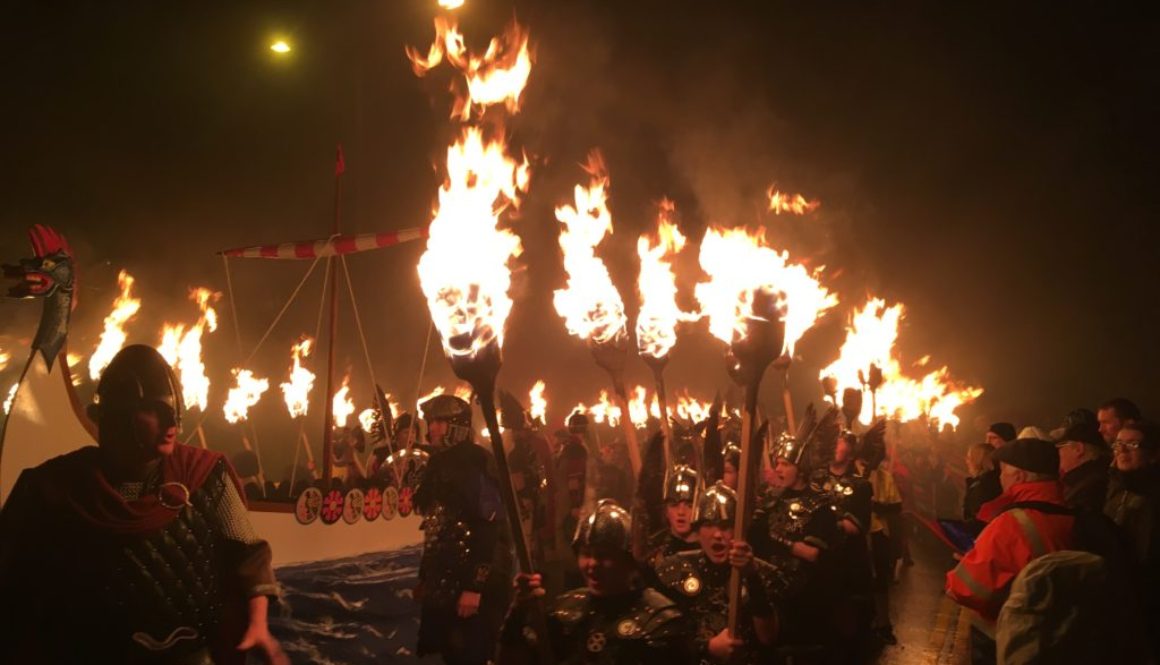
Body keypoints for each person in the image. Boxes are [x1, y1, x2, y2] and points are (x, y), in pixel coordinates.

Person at [0, 345, 284, 664]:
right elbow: (13, 588)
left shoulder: (204, 475)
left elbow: (248, 553)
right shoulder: (51, 488)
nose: (172, 423)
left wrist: (259, 624)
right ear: (119, 415)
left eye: (173, 411)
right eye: (156, 411)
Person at [498, 499, 694, 664]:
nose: (592, 564)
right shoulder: (564, 611)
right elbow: (514, 660)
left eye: (603, 555)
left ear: (627, 560)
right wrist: (519, 610)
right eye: (586, 554)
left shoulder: (660, 622)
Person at [946, 438, 1074, 665]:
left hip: (1007, 641)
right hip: (1061, 639)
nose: (999, 477)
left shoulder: (1011, 523)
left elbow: (967, 589)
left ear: (1019, 476)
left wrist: (963, 566)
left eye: (1003, 471)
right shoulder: (1074, 515)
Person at [413, 394, 513, 665]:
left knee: (471, 653)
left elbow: (488, 527)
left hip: (473, 579)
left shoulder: (477, 462)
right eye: (430, 421)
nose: (431, 428)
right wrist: (426, 575)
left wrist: (474, 587)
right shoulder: (437, 464)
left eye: (439, 422)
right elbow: (436, 527)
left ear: (457, 425)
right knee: (448, 653)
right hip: (443, 579)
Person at [654, 482, 782, 664]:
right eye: (708, 525)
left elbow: (768, 638)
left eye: (725, 525)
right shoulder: (674, 571)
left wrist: (752, 577)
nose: (717, 535)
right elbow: (665, 644)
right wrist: (707, 648)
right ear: (697, 531)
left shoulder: (763, 573)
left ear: (739, 529)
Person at [750, 432, 840, 650]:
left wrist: (775, 540)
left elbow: (812, 554)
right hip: (769, 593)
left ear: (801, 468)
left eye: (785, 464)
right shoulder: (771, 500)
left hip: (805, 597)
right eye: (777, 463)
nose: (778, 469)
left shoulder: (819, 505)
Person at [1104, 419, 1160, 656]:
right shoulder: (1114, 486)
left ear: (1153, 454)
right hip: (1118, 595)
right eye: (1118, 444)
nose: (1123, 451)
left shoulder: (1152, 495)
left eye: (1133, 444)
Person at [647, 464, 702, 564]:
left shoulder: (710, 549)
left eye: (689, 505)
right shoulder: (654, 549)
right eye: (674, 505)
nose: (681, 512)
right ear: (666, 510)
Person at [1055, 422, 1110, 514]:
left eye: (1060, 447)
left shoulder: (1090, 489)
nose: (1057, 453)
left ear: (1078, 449)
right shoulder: (1094, 478)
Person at [963, 443, 1001, 532]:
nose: (966, 461)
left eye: (969, 457)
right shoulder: (998, 481)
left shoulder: (981, 488)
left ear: (977, 460)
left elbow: (978, 522)